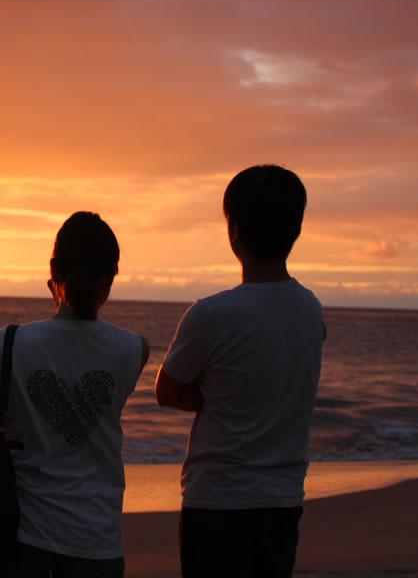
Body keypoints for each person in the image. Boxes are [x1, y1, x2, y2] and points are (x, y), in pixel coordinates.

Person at [155, 164, 325, 578]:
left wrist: (216, 397)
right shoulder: (310, 310)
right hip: (283, 499)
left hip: (217, 501)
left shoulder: (212, 314)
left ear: (233, 233)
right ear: (296, 231)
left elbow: (167, 390)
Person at [0, 211, 150, 578]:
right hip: (97, 539)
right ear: (110, 278)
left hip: (19, 535)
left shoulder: (12, 342)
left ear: (54, 270)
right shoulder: (133, 349)